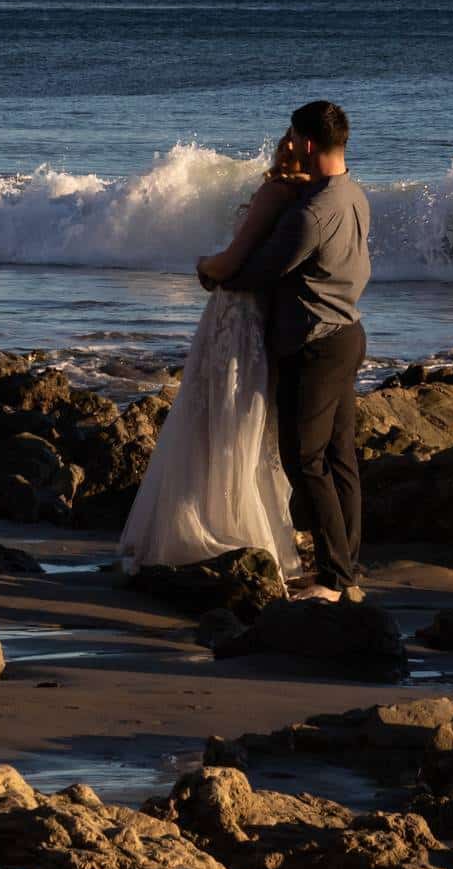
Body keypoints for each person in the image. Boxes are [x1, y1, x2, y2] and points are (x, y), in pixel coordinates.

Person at [117, 135, 308, 582]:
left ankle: (211, 521)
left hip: (236, 313)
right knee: (249, 420)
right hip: (270, 317)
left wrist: (205, 264)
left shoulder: (277, 190)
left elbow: (233, 259)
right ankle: (256, 521)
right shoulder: (313, 195)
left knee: (212, 415)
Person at [216, 100, 371, 586]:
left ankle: (334, 578)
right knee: (339, 459)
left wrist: (212, 270)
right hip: (347, 333)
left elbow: (257, 272)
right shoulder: (354, 194)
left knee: (305, 460)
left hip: (316, 342)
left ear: (306, 143)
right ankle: (347, 568)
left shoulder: (312, 213)